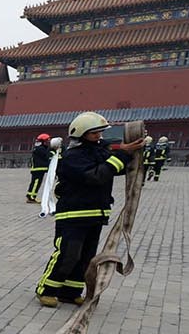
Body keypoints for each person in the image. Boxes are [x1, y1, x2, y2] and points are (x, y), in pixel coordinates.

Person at [35, 111, 143, 307]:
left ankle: (70, 292)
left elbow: (114, 167)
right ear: (81, 133)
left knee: (86, 257)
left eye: (100, 132)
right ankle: (47, 289)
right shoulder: (73, 157)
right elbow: (97, 176)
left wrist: (127, 154)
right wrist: (121, 154)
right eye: (94, 133)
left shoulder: (99, 151)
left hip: (96, 214)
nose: (99, 136)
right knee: (68, 254)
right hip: (73, 214)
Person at [27, 133, 52, 202]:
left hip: (39, 169)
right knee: (36, 183)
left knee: (36, 183)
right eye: (47, 141)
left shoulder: (39, 148)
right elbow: (48, 155)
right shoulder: (40, 149)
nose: (48, 143)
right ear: (43, 142)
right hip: (38, 169)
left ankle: (31, 196)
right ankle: (31, 197)